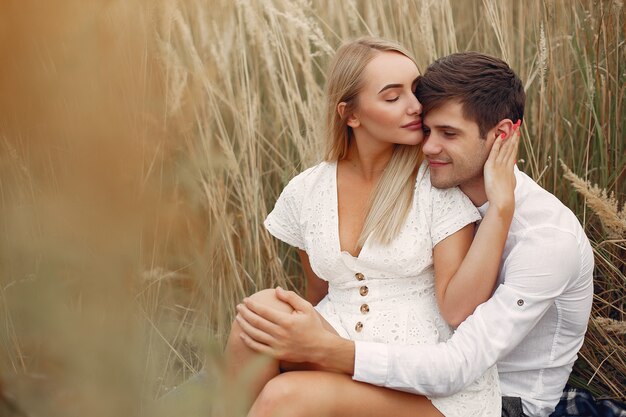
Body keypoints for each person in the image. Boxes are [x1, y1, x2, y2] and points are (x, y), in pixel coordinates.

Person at [235, 51, 594, 417]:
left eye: (448, 134)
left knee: (289, 395)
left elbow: (458, 364)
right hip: (411, 368)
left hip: (503, 401)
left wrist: (326, 350)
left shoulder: (547, 242)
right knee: (259, 317)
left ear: (501, 135)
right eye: (426, 129)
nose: (427, 148)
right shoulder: (428, 187)